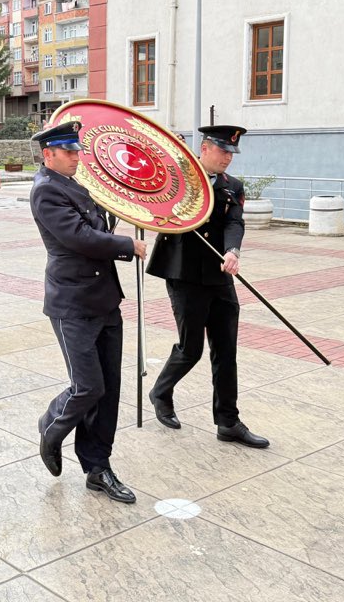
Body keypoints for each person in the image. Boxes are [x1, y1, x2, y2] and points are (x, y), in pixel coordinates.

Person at [30, 121, 145, 504]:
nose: (78, 157)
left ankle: (98, 468)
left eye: (78, 151)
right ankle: (52, 425)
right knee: (88, 386)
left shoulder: (76, 186)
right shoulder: (46, 191)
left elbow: (98, 224)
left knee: (108, 390)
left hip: (105, 300)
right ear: (49, 154)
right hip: (73, 303)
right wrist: (126, 243)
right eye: (69, 152)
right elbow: (80, 238)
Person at [146, 125, 269, 449]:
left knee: (226, 351)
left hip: (220, 277)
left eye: (232, 153)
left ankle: (228, 422)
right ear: (204, 148)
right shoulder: (179, 181)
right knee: (191, 349)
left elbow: (234, 222)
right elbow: (156, 210)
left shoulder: (232, 187)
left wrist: (233, 251)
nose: (228, 157)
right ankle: (160, 392)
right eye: (223, 151)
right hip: (185, 275)